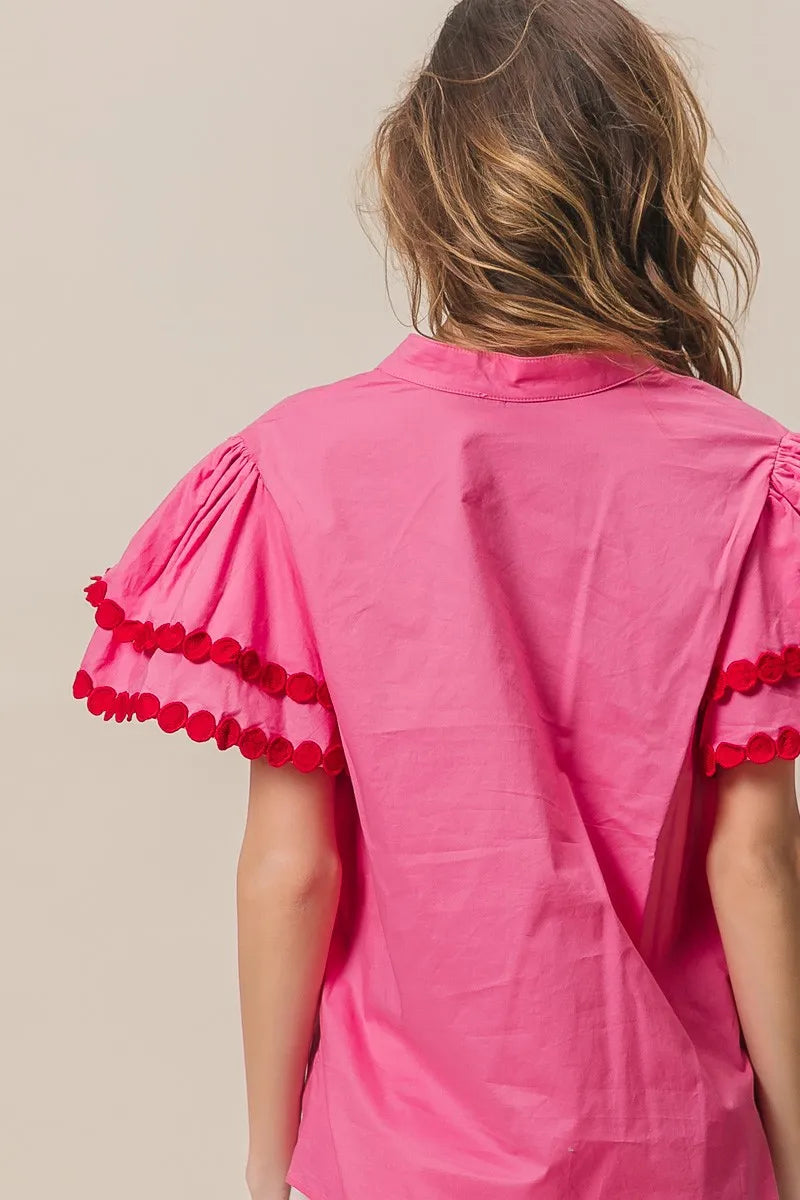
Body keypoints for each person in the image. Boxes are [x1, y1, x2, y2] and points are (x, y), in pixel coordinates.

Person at [71, 0, 800, 1197]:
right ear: (646, 183)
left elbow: (291, 867)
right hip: (671, 1155)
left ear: (423, 189)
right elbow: (755, 856)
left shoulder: (301, 465)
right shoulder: (747, 476)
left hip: (393, 1155)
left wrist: (268, 1163)